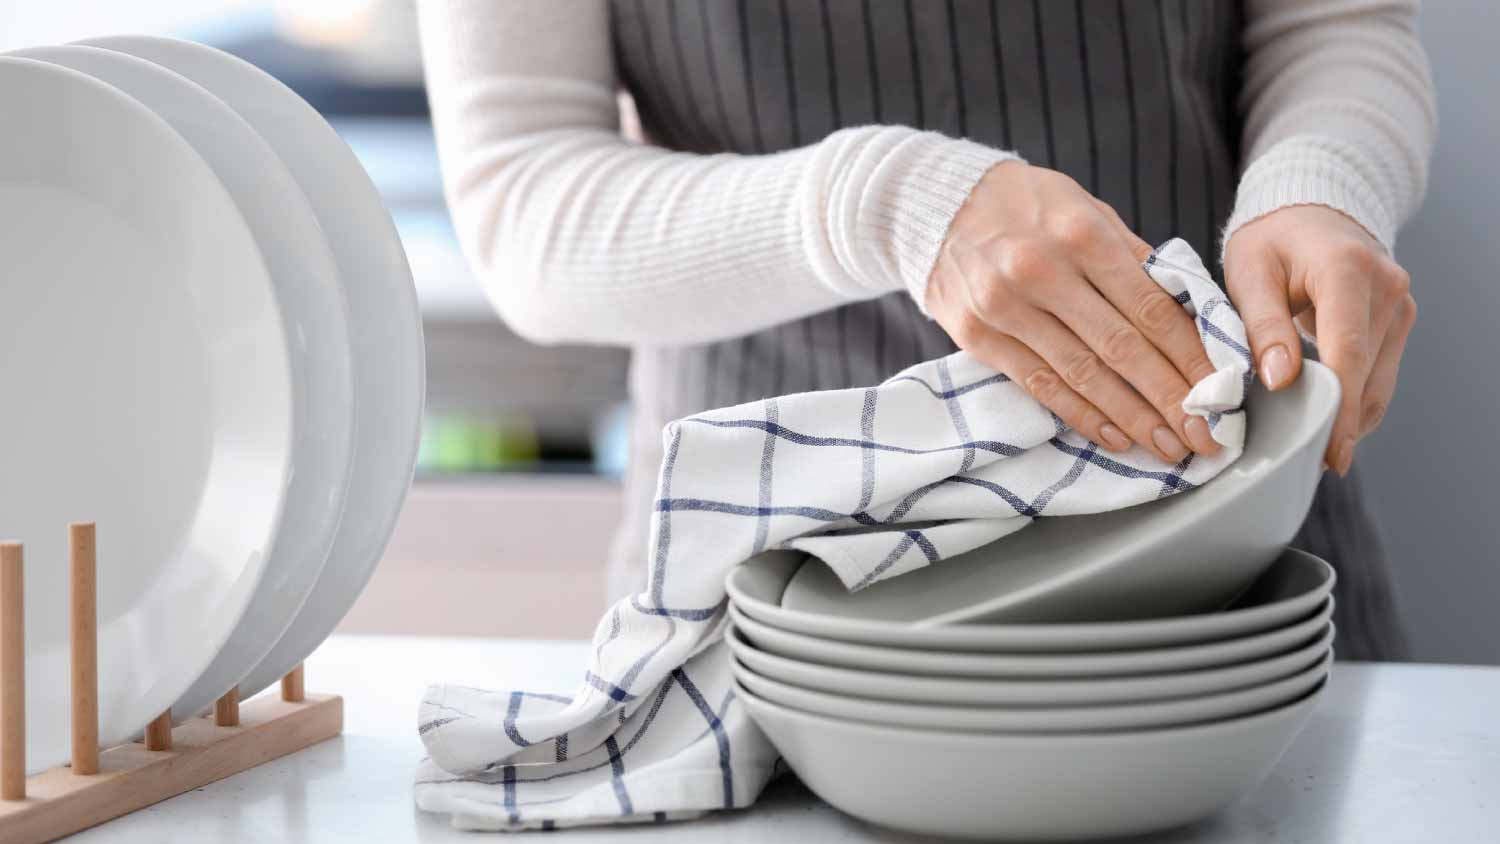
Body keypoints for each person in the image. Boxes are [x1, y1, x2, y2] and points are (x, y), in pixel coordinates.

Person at [418, 0, 1434, 660]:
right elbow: (523, 198)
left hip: (1234, 556)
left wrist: (1321, 187)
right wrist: (886, 202)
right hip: (778, 591)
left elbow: (1336, 23)